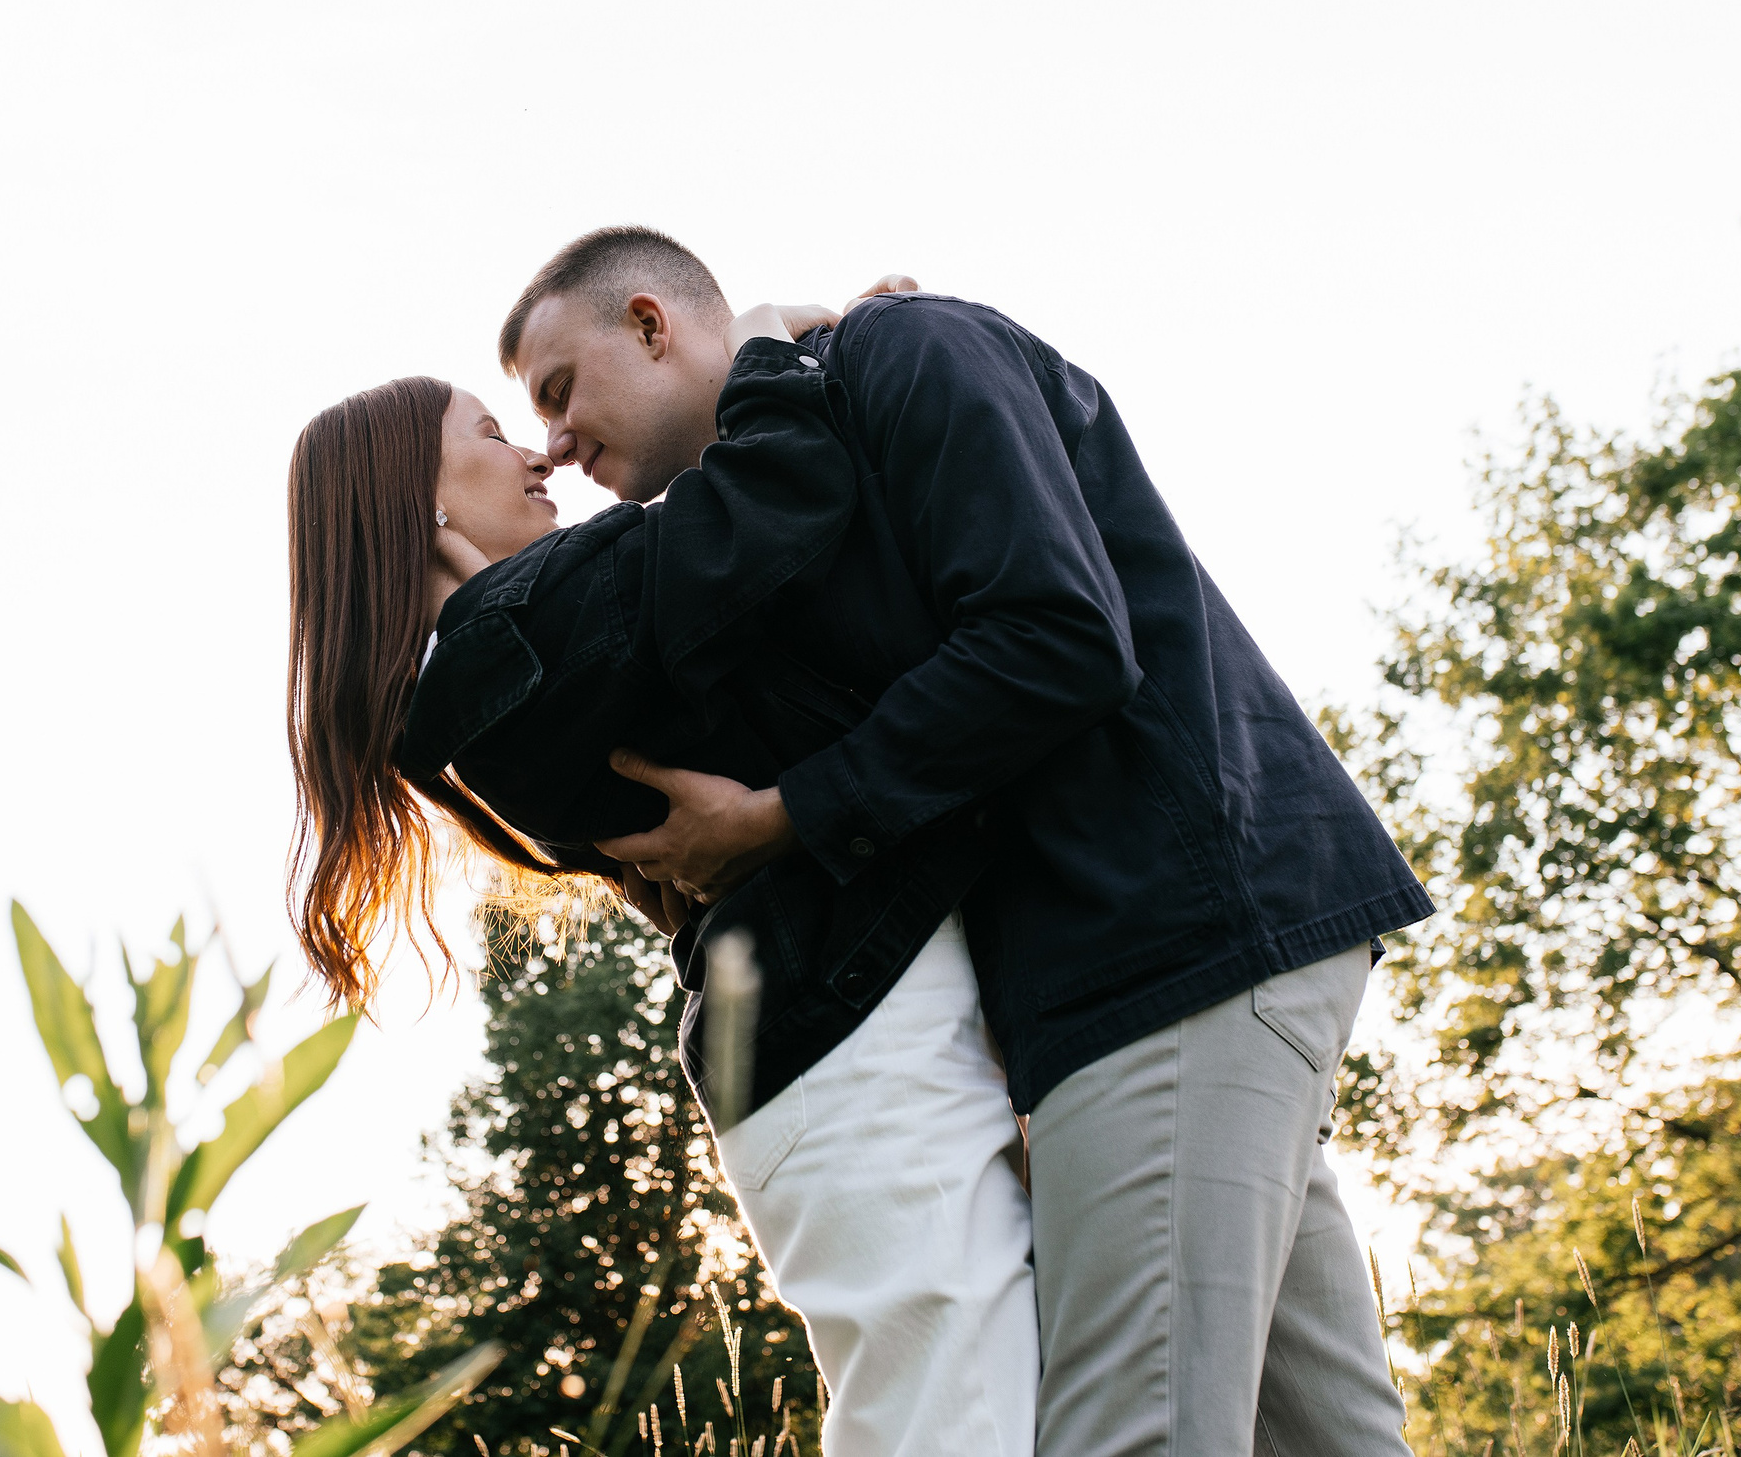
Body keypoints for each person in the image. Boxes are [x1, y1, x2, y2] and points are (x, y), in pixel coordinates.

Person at [501, 226, 1435, 1457]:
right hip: (1126, 975)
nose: (553, 445)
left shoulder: (904, 349)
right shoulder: (793, 473)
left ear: (650, 322)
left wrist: (779, 821)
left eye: (560, 392)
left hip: (1168, 939)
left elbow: (1057, 635)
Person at [282, 291, 1038, 1457]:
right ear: (421, 501)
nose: (537, 455)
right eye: (491, 432)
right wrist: (767, 347)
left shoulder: (486, 680)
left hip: (821, 1060)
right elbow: (779, 495)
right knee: (963, 1419)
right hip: (856, 1060)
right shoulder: (523, 626)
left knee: (955, 1406)